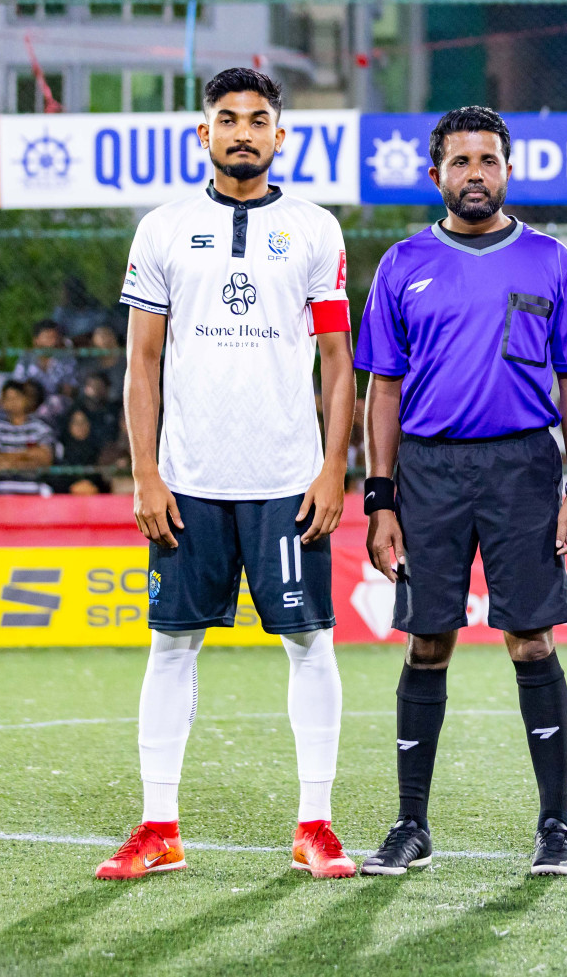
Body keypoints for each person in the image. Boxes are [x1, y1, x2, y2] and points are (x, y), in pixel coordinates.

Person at [94, 67, 357, 881]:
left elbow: (339, 363)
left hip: (285, 479)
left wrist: (331, 469)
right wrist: (146, 472)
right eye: (226, 118)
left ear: (282, 136)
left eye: (257, 119)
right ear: (201, 134)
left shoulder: (315, 230)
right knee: (170, 645)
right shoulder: (163, 229)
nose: (242, 131)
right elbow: (141, 363)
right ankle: (159, 826)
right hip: (189, 477)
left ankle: (315, 823)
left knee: (310, 643)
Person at [355, 106, 567, 879]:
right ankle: (410, 825)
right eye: (460, 163)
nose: (474, 175)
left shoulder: (551, 260)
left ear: (507, 170)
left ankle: (555, 826)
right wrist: (381, 498)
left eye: (487, 160)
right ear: (436, 177)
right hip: (427, 473)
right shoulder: (401, 264)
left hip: (524, 469)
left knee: (531, 639)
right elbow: (381, 391)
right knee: (429, 643)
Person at [0, 380, 56, 494]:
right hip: (1, 494)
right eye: (8, 398)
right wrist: (28, 456)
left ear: (25, 399)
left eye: (16, 397)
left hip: (33, 492)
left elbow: (45, 459)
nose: (13, 402)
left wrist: (6, 461)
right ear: (3, 402)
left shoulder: (40, 427)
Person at [11, 319, 78, 399]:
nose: (53, 342)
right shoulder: (25, 360)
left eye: (56, 338)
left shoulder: (67, 360)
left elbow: (72, 388)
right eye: (48, 338)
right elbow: (16, 385)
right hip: (31, 404)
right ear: (36, 341)